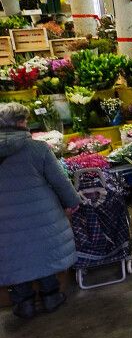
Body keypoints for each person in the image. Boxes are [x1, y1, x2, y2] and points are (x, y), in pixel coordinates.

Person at [0, 102, 79, 319]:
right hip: (41, 214)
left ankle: (23, 303)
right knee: (43, 254)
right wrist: (72, 201)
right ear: (19, 123)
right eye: (24, 120)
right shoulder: (37, 148)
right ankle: (50, 296)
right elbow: (60, 183)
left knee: (14, 257)